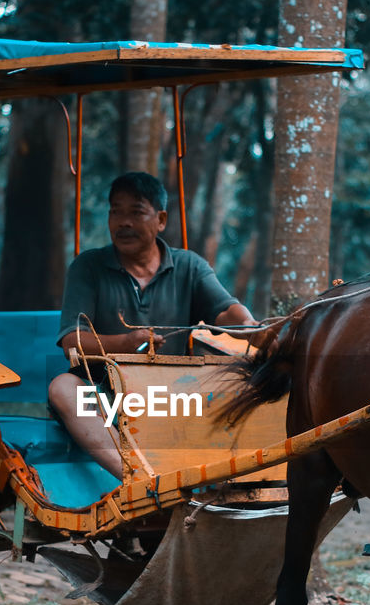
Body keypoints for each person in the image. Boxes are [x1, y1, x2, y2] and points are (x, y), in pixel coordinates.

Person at [48, 172, 256, 476]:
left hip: (166, 397)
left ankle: (227, 482)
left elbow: (225, 311)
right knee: (63, 388)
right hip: (104, 397)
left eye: (136, 212)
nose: (123, 222)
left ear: (160, 219)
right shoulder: (88, 266)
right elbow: (72, 342)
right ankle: (138, 480)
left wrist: (251, 325)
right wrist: (127, 342)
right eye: (115, 211)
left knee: (236, 381)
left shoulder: (189, 266)